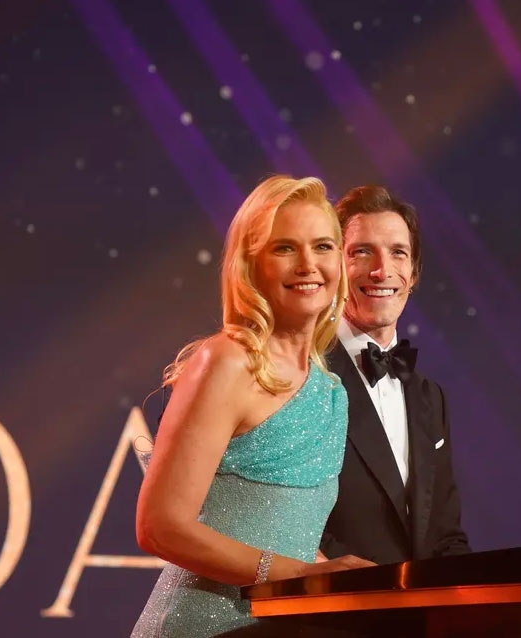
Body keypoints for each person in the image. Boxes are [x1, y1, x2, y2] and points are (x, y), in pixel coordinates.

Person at [131, 175, 374, 638]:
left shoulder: (331, 393)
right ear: (251, 265)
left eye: (323, 247)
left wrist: (339, 578)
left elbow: (286, 534)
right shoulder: (227, 361)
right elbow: (159, 526)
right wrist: (300, 575)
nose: (308, 265)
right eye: (285, 248)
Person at [320, 185, 471, 566]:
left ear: (413, 273)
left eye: (398, 253)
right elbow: (282, 520)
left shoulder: (430, 397)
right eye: (362, 252)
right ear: (334, 267)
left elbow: (445, 536)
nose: (382, 271)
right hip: (326, 600)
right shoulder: (305, 373)